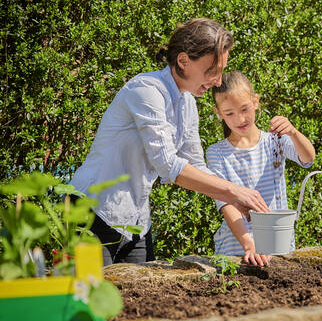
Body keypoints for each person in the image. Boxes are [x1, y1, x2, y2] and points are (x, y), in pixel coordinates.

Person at [69, 18, 270, 266]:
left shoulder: (187, 104)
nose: (218, 81)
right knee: (88, 300)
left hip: (135, 223)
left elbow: (195, 164)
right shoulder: (146, 90)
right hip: (92, 212)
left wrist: (237, 204)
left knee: (138, 301)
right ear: (183, 61)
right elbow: (168, 165)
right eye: (212, 71)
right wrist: (234, 191)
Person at [206, 71, 315, 266]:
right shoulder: (216, 153)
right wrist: (249, 245)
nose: (240, 119)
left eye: (245, 109)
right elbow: (227, 204)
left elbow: (308, 158)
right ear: (218, 113)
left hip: (278, 245)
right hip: (236, 251)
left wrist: (293, 131)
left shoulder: (276, 140)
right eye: (229, 113)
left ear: (256, 101)